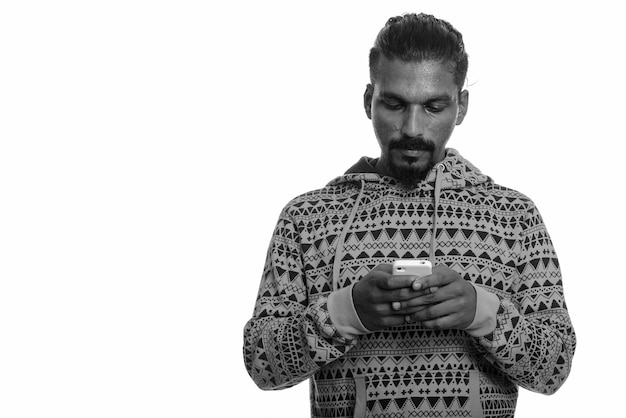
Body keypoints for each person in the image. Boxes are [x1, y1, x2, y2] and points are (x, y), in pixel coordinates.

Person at [243, 13, 575, 418]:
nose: (412, 127)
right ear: (369, 100)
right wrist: (346, 312)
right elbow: (262, 364)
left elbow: (555, 367)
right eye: (395, 104)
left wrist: (480, 311)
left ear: (461, 106)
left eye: (434, 106)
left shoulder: (513, 217)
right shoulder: (308, 218)